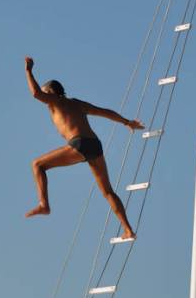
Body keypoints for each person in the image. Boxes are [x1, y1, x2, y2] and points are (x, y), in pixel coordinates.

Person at [24, 56, 145, 240]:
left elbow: (35, 94)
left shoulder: (55, 102)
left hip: (79, 144)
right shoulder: (76, 103)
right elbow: (104, 112)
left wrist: (28, 71)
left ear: (52, 93)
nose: (45, 99)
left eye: (46, 93)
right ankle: (128, 229)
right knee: (108, 191)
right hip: (94, 145)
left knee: (37, 165)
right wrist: (127, 122)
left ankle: (44, 204)